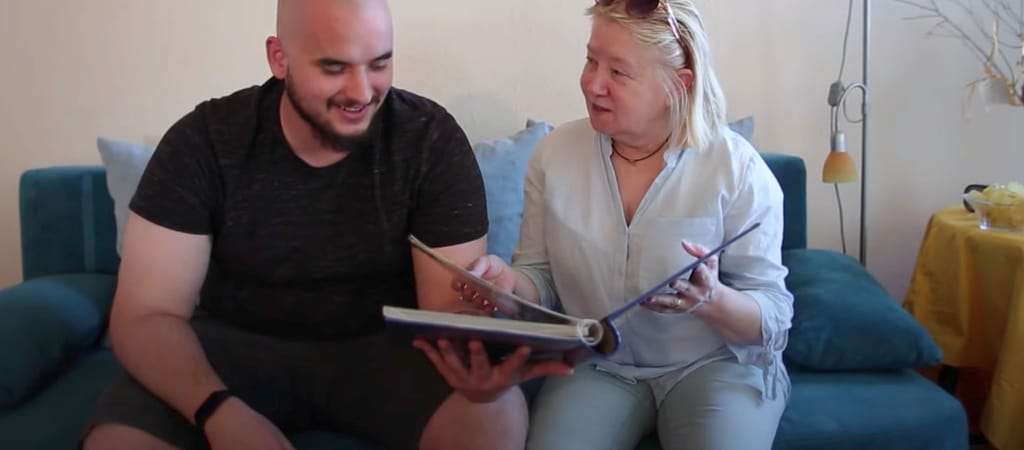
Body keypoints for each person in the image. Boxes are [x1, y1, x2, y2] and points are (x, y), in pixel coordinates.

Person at [80, 1, 570, 449]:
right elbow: (146, 315)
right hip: (231, 351)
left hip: (387, 351)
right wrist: (216, 411)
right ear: (279, 58)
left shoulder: (429, 140)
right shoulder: (204, 142)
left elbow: (447, 314)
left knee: (496, 416)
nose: (361, 92)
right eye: (334, 68)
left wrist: (475, 365)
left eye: (379, 64)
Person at [460, 0, 794, 449]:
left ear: (677, 85)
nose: (593, 83)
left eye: (618, 72)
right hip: (600, 363)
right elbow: (540, 277)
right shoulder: (554, 156)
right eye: (591, 60)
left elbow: (773, 316)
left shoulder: (738, 171)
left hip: (714, 364)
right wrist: (507, 284)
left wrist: (712, 299)